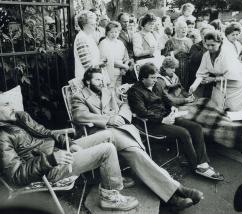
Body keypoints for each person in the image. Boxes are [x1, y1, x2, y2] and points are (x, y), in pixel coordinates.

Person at [71, 67, 204, 211]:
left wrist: (121, 117)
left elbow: (124, 104)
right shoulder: (79, 96)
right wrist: (109, 119)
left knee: (138, 155)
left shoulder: (106, 91)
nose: (101, 82)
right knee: (139, 155)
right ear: (88, 81)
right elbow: (79, 116)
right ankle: (177, 190)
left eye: (102, 79)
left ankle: (174, 195)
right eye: (97, 79)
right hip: (100, 133)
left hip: (119, 130)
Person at [0, 92, 139, 211]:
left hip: (60, 152)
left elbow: (46, 132)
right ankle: (109, 197)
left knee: (107, 135)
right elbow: (16, 175)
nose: (12, 107)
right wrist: (50, 160)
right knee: (107, 149)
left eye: (10, 103)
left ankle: (111, 178)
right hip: (50, 169)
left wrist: (69, 142)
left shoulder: (19, 118)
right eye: (6, 105)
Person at [127, 63, 223, 181]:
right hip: (151, 124)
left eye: (156, 77)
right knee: (183, 132)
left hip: (167, 117)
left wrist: (172, 107)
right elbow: (142, 112)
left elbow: (166, 99)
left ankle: (202, 163)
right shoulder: (134, 92)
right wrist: (162, 119)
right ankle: (195, 166)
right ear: (143, 78)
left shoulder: (156, 85)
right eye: (152, 78)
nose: (155, 80)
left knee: (196, 127)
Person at [189, 30, 242, 111]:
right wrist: (194, 86)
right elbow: (201, 73)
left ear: (220, 43)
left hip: (238, 82)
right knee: (218, 105)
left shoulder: (227, 54)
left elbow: (232, 75)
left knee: (234, 108)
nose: (210, 48)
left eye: (213, 45)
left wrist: (213, 79)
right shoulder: (206, 55)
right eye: (208, 45)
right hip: (222, 82)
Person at [99, 21, 131, 90]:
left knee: (119, 91)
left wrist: (123, 68)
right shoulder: (104, 43)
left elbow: (126, 57)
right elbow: (109, 61)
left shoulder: (120, 43)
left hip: (120, 73)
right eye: (111, 32)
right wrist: (124, 66)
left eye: (116, 32)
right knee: (110, 92)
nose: (114, 34)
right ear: (107, 32)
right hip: (108, 72)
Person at [162, 21, 193, 89]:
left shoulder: (190, 40)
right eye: (181, 28)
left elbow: (192, 55)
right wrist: (177, 51)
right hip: (175, 67)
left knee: (186, 86)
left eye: (185, 27)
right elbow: (165, 55)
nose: (184, 29)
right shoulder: (171, 41)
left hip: (187, 67)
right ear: (176, 29)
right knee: (175, 87)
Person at [188, 24, 215, 96]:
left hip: (211, 78)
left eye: (208, 34)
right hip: (197, 78)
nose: (205, 36)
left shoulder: (215, 46)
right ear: (200, 35)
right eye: (203, 34)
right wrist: (205, 48)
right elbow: (194, 59)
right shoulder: (195, 46)